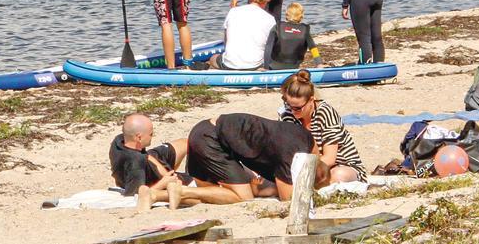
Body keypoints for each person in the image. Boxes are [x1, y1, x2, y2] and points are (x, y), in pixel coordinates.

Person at [144, 111, 315, 208]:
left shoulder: (301, 137)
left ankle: (155, 195)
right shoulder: (289, 153)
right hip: (210, 139)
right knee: (243, 197)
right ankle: (181, 191)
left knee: (209, 197)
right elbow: (288, 198)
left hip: (203, 131)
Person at [281, 69, 366, 184]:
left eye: (298, 108)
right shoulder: (287, 115)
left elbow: (330, 158)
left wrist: (301, 170)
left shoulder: (325, 113)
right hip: (306, 166)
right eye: (288, 104)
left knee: (337, 175)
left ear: (311, 100)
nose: (293, 111)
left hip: (340, 165)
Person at [110, 112, 185, 202]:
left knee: (185, 143)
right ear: (139, 138)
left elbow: (144, 155)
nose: (152, 136)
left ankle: (170, 171)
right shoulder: (136, 163)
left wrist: (164, 171)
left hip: (149, 158)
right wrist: (164, 182)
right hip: (154, 179)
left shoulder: (119, 141)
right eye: (151, 134)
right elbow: (137, 196)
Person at [216, 0, 278, 70]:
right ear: (266, 0)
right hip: (255, 65)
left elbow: (226, 39)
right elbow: (271, 45)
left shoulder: (233, 11)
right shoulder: (270, 19)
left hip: (230, 64)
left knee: (213, 58)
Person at [268, 1, 314, 69]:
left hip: (274, 66)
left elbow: (268, 46)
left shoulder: (278, 26)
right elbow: (313, 47)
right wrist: (319, 63)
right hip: (293, 66)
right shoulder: (305, 29)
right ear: (301, 15)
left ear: (287, 14)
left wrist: (265, 66)